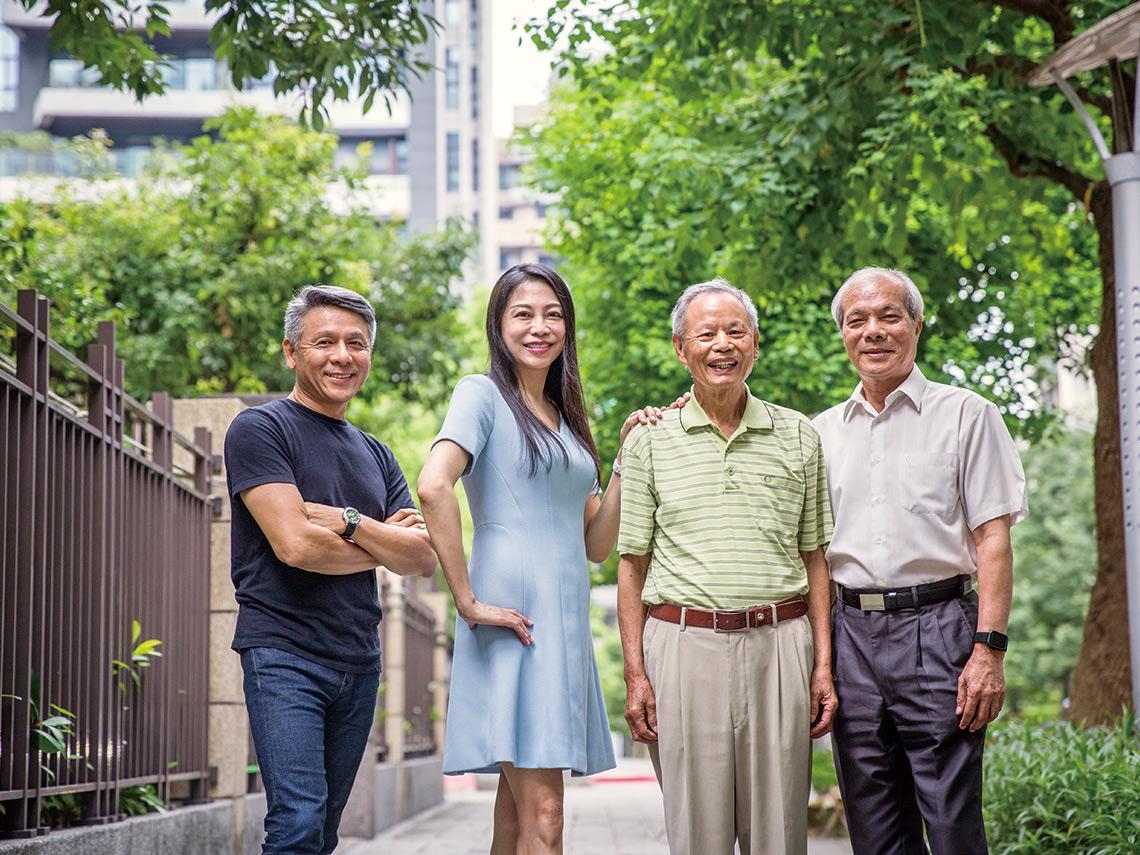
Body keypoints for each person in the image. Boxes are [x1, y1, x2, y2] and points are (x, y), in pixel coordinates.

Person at [417, 263, 664, 854]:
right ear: (498, 324)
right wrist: (468, 600)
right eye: (523, 313)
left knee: (517, 814)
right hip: (513, 618)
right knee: (547, 814)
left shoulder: (566, 417)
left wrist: (627, 456)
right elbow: (433, 486)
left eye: (553, 314)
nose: (540, 326)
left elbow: (597, 544)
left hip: (564, 622)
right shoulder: (480, 395)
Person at [617, 277, 837, 855]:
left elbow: (817, 558)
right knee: (698, 834)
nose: (722, 344)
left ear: (756, 344)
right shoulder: (649, 438)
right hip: (683, 645)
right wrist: (636, 674)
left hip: (781, 644)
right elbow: (631, 566)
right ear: (680, 348)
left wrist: (822, 666)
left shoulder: (800, 434)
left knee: (780, 834)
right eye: (706, 333)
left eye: (735, 331)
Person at [812, 267, 1028, 855]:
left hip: (939, 628)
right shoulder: (820, 433)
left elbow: (993, 541)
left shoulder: (968, 415)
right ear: (843, 335)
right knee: (874, 828)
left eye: (889, 316)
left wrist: (989, 649)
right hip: (851, 631)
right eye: (857, 321)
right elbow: (811, 558)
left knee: (953, 825)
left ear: (916, 324)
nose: (873, 331)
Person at [224, 284, 437, 855]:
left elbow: (421, 557)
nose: (342, 356)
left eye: (356, 343)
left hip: (357, 661)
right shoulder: (260, 430)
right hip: (283, 653)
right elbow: (295, 546)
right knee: (296, 822)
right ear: (292, 352)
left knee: (322, 833)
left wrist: (347, 522)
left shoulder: (375, 452)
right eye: (325, 342)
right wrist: (382, 542)